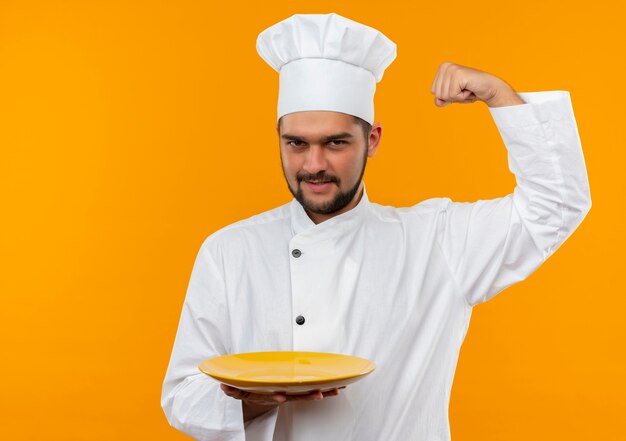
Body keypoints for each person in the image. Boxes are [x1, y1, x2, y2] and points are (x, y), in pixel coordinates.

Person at [161, 12, 591, 441]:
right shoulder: (229, 251)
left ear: (372, 140)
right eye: (296, 143)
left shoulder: (435, 241)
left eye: (335, 143)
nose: (314, 165)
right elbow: (183, 395)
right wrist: (259, 398)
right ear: (279, 138)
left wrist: (499, 95)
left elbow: (557, 204)